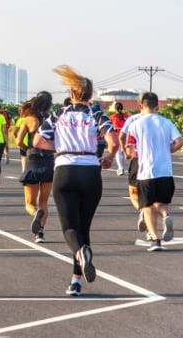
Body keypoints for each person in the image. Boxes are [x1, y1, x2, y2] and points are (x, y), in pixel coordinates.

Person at [34, 66, 119, 297]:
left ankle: (78, 268)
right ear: (90, 95)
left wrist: (60, 147)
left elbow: (38, 141)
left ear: (71, 94)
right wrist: (109, 157)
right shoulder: (96, 114)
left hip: (65, 170)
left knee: (70, 228)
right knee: (83, 227)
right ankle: (76, 280)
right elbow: (113, 141)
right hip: (90, 170)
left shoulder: (58, 115)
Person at [120, 92, 183, 252]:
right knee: (162, 203)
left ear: (141, 106)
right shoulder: (167, 122)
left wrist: (134, 153)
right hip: (165, 171)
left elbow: (130, 149)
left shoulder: (135, 124)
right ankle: (166, 216)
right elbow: (179, 142)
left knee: (147, 206)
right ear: (158, 106)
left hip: (146, 172)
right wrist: (169, 149)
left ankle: (155, 239)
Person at [15, 91, 54, 243]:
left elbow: (18, 141)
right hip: (48, 160)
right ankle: (40, 234)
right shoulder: (52, 120)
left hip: (33, 160)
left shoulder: (28, 119)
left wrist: (27, 149)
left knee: (30, 203)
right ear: (49, 105)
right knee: (44, 201)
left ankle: (35, 213)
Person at [109, 102, 129, 176]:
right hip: (126, 136)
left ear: (115, 109)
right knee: (122, 152)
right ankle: (121, 167)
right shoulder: (127, 116)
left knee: (118, 152)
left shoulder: (112, 117)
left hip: (117, 136)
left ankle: (120, 168)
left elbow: (109, 127)